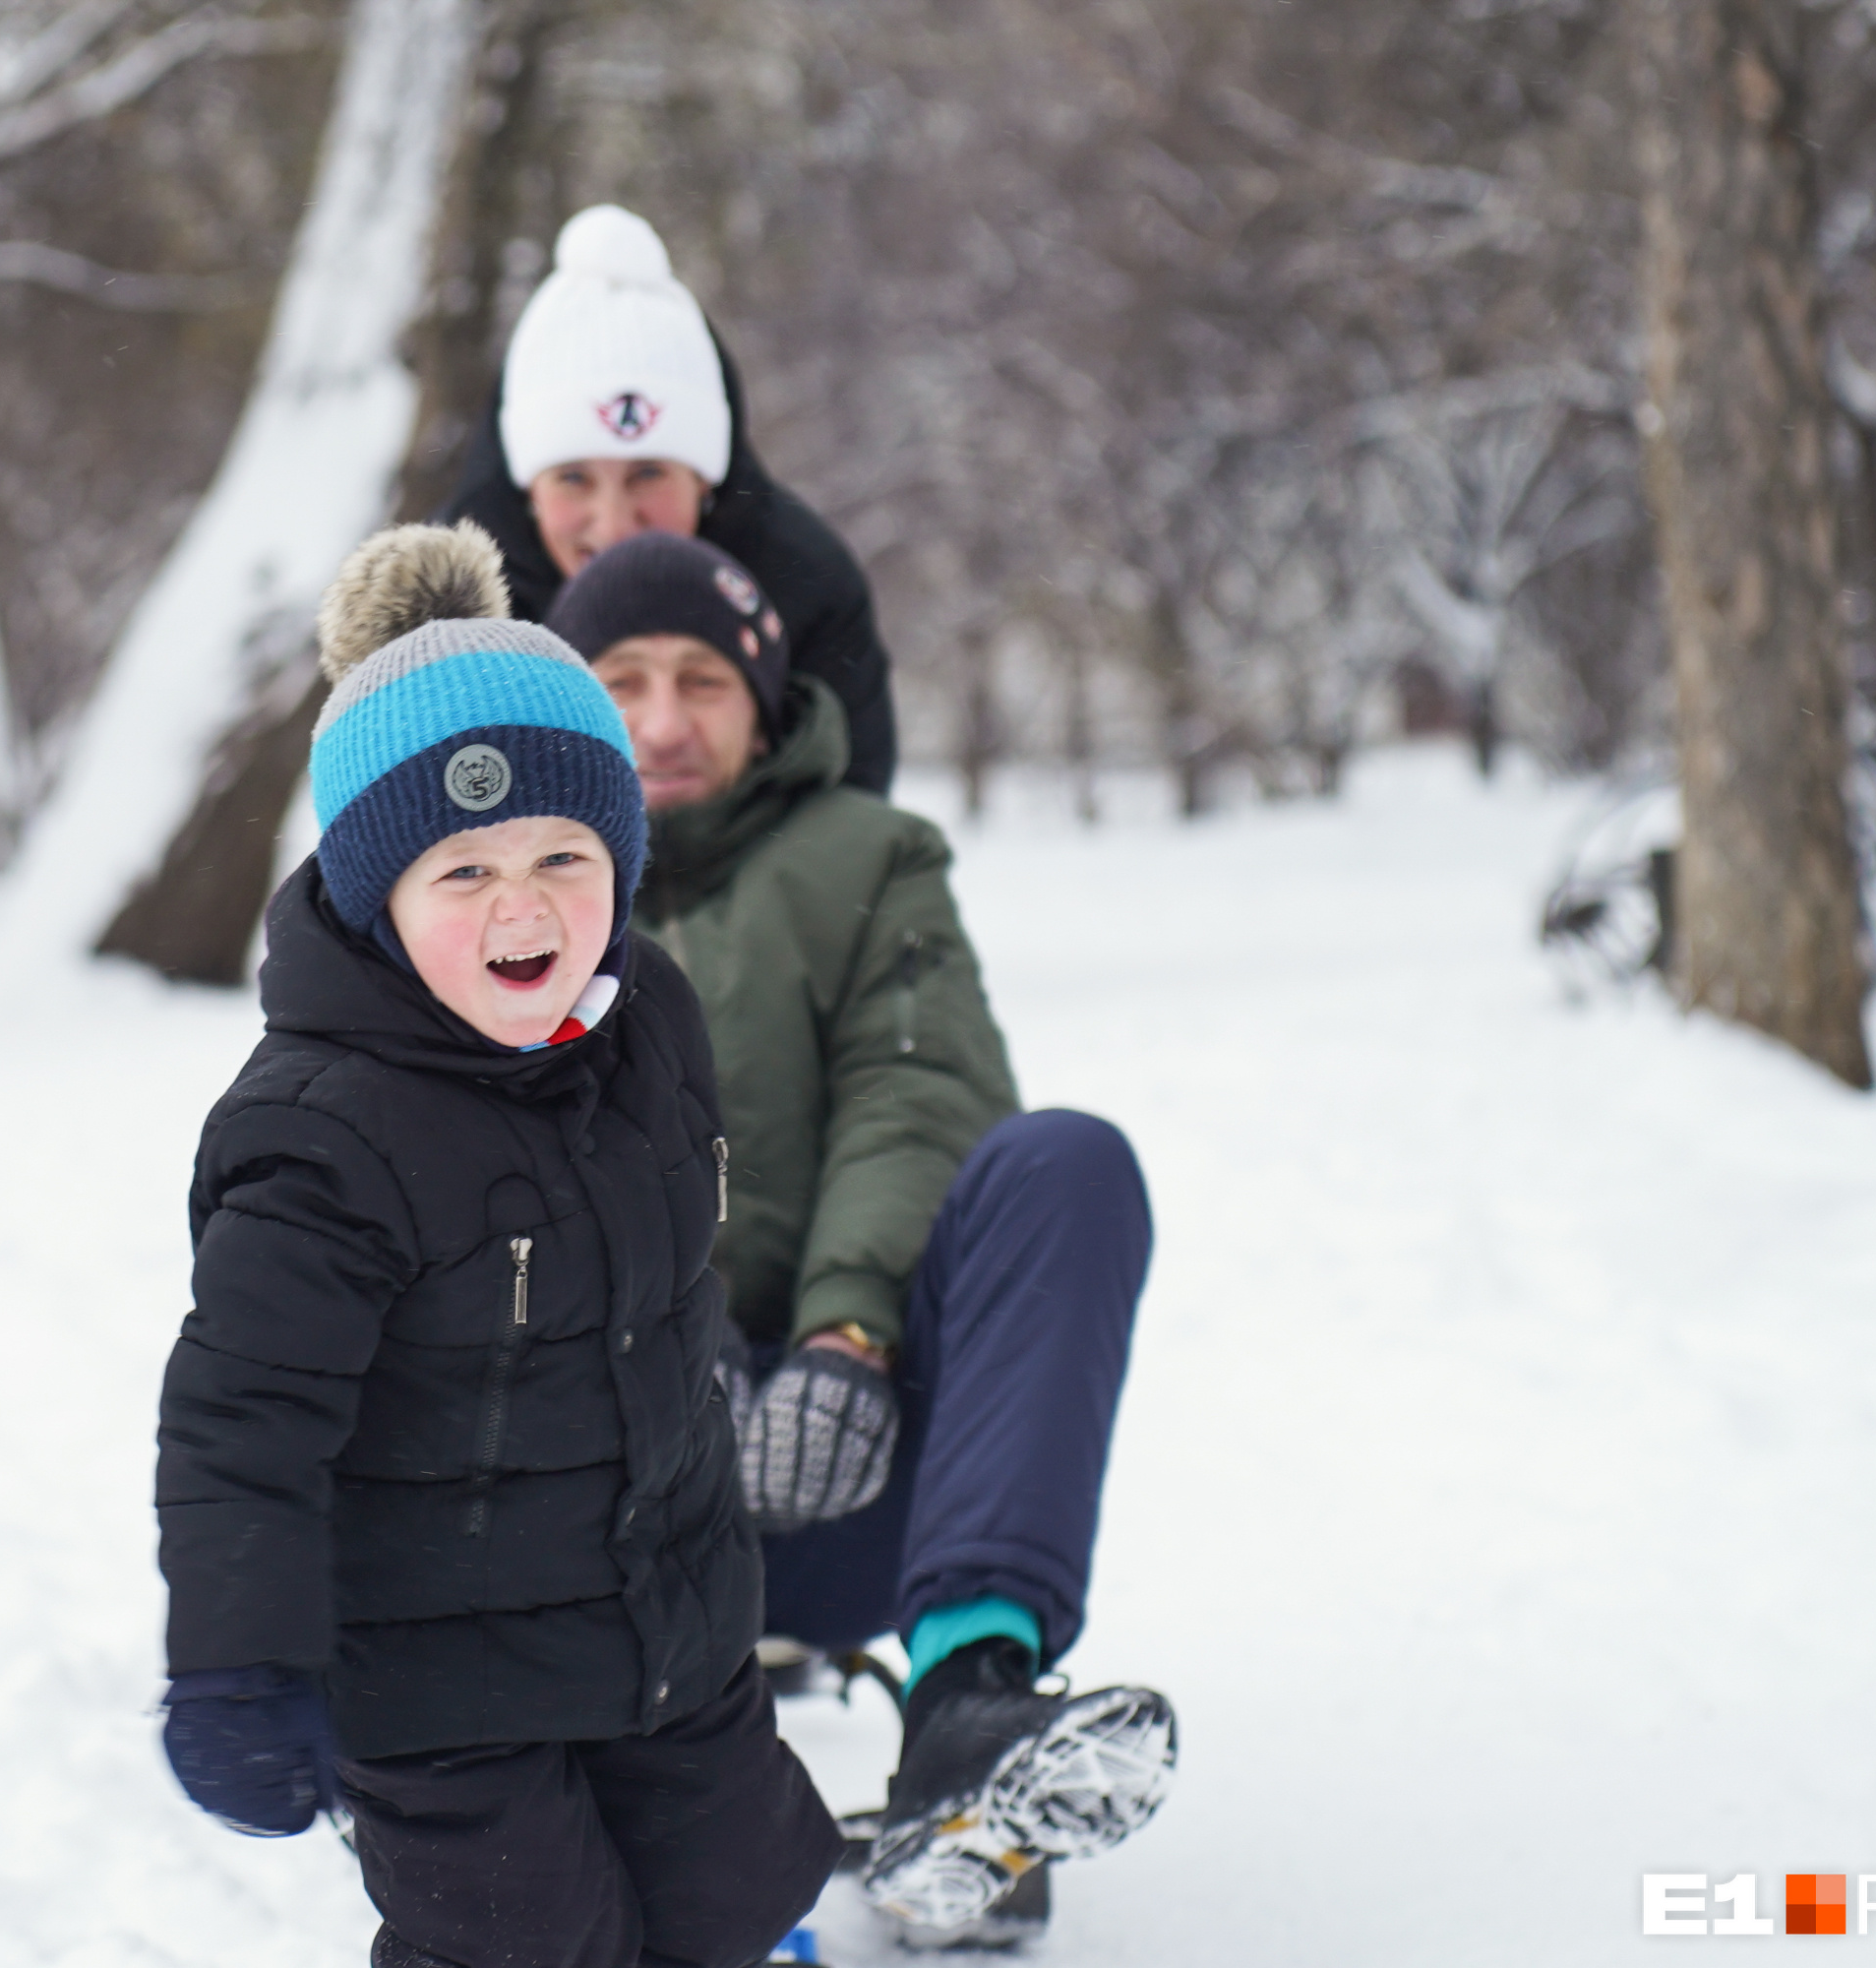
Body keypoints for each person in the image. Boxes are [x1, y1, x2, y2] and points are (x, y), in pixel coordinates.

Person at [153, 522, 844, 1968]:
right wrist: (240, 1666)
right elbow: (245, 1426)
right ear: (376, 900)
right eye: (459, 873)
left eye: (560, 853)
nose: (522, 903)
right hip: (437, 1677)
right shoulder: (321, 1136)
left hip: (670, 1621)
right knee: (529, 1946)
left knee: (735, 1896)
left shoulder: (652, 1022)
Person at [547, 530, 1177, 1947]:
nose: (661, 718)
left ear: (764, 701)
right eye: (624, 678)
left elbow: (919, 1092)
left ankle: (973, 1715)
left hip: (862, 1462)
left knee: (1064, 1165)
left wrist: (846, 1332)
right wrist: (677, 1343)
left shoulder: (869, 858)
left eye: (702, 679)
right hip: (596, 1500)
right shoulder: (512, 890)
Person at [438, 204, 903, 799]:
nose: (612, 527)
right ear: (525, 489)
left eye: (648, 474)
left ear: (706, 480)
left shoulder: (803, 584)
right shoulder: (450, 611)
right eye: (574, 478)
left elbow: (852, 831)